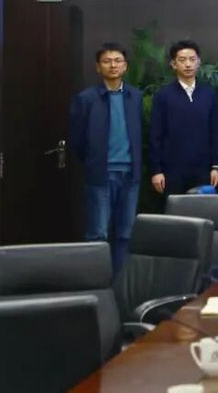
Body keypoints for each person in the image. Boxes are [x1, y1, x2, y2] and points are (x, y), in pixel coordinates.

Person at [68, 42, 143, 272]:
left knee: (126, 233)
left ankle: (120, 283)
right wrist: (93, 161)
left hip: (130, 174)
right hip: (101, 174)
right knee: (98, 233)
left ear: (125, 66)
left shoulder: (135, 96)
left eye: (118, 61)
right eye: (107, 61)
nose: (113, 65)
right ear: (98, 67)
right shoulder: (86, 99)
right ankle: (95, 281)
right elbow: (77, 140)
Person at [150, 40, 218, 197]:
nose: (188, 64)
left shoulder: (209, 94)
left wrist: (215, 166)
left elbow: (215, 132)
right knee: (175, 212)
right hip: (172, 171)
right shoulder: (163, 95)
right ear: (173, 64)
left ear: (198, 62)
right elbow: (155, 135)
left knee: (202, 211)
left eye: (192, 59)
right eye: (182, 60)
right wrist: (156, 170)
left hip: (203, 169)